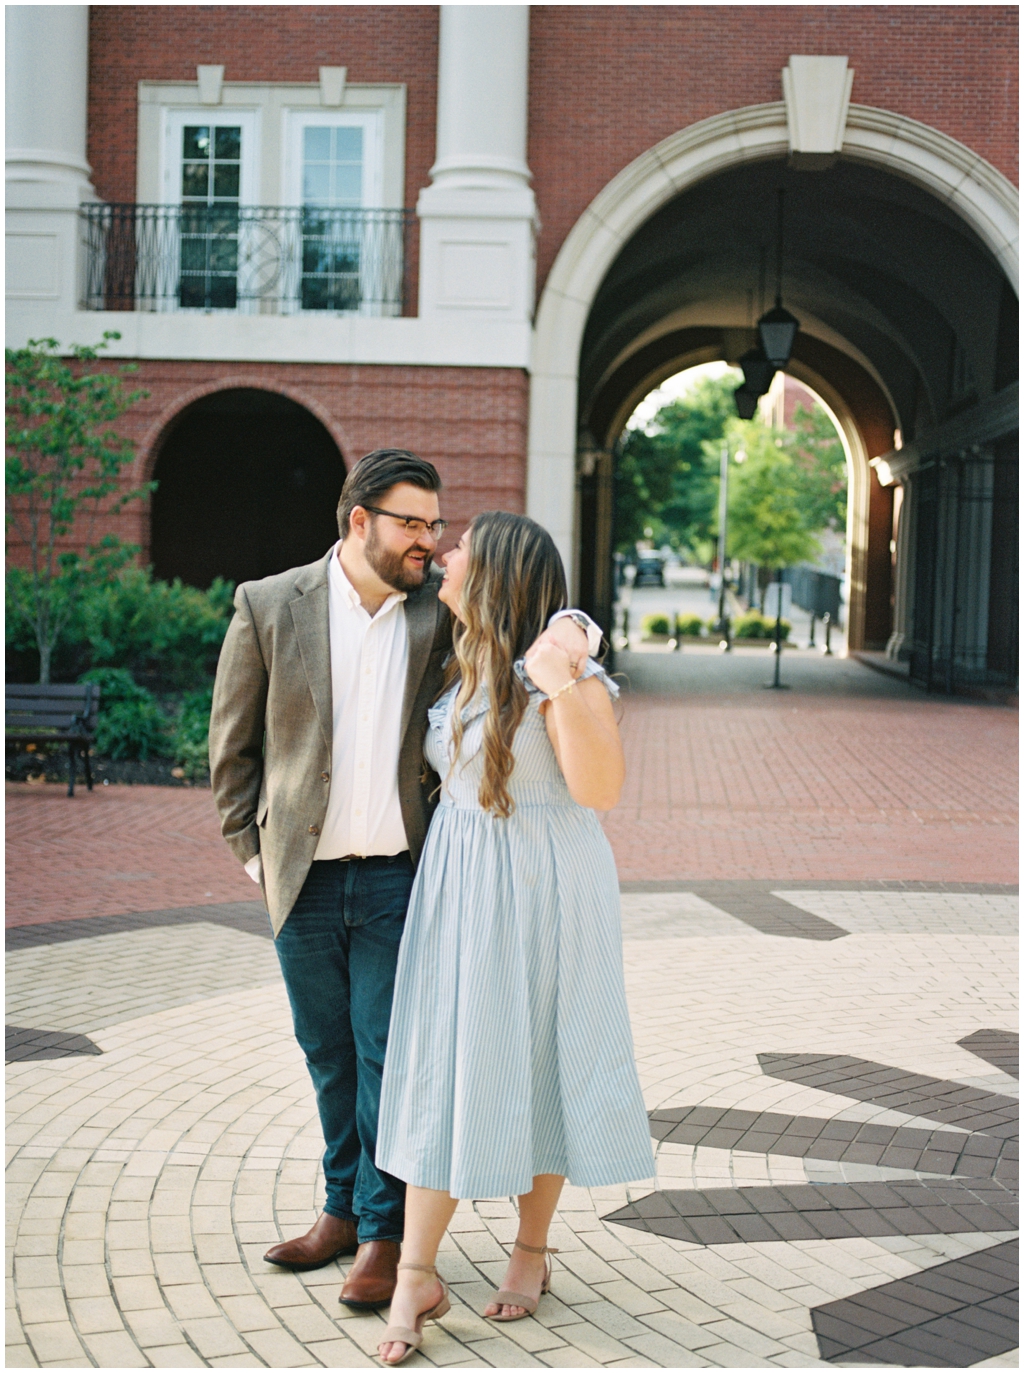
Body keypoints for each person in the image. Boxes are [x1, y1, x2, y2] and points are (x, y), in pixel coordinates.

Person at [208, 451, 594, 1310]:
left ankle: (385, 1237)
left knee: (392, 1058)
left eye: (435, 524)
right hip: (300, 881)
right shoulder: (270, 605)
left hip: (398, 880)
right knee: (327, 1054)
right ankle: (339, 1211)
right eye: (412, 523)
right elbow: (231, 748)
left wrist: (578, 627)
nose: (430, 540)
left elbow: (532, 603)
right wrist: (254, 854)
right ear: (359, 521)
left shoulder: (438, 612)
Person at [374, 511, 655, 1366]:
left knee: (544, 1056)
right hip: (460, 889)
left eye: (461, 548)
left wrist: (562, 670)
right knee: (443, 1068)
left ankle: (530, 1250)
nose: (446, 555)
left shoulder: (562, 674)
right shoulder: (453, 653)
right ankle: (413, 1274)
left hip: (546, 890)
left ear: (496, 574)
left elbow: (600, 786)